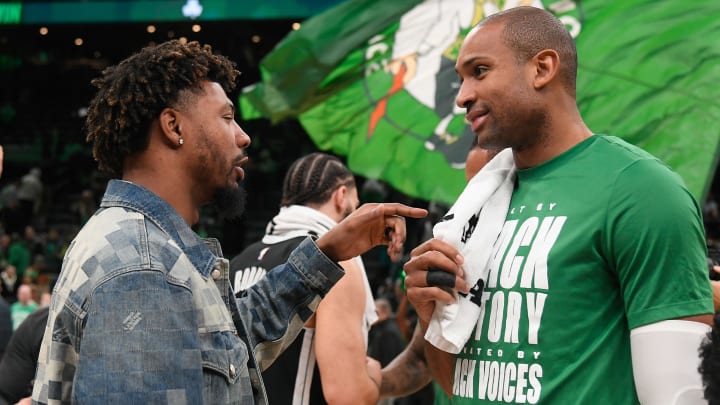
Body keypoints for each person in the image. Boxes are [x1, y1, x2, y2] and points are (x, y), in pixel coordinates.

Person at [31, 39, 427, 404]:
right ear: (174, 127)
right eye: (227, 117)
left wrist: (329, 250)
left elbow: (232, 344)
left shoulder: (137, 241)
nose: (243, 137)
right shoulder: (145, 269)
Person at [403, 6, 713, 404]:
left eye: (479, 71)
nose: (462, 97)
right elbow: (459, 387)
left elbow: (678, 395)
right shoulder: (473, 207)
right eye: (460, 79)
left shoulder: (639, 190)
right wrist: (431, 312)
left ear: (542, 68)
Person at [229, 152, 383, 404]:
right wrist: (374, 378)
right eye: (355, 207)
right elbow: (348, 395)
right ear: (341, 196)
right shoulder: (332, 262)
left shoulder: (237, 262)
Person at [379, 137, 499, 404]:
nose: (477, 197)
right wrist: (370, 384)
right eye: (471, 188)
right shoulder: (457, 252)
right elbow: (421, 358)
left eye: (490, 186)